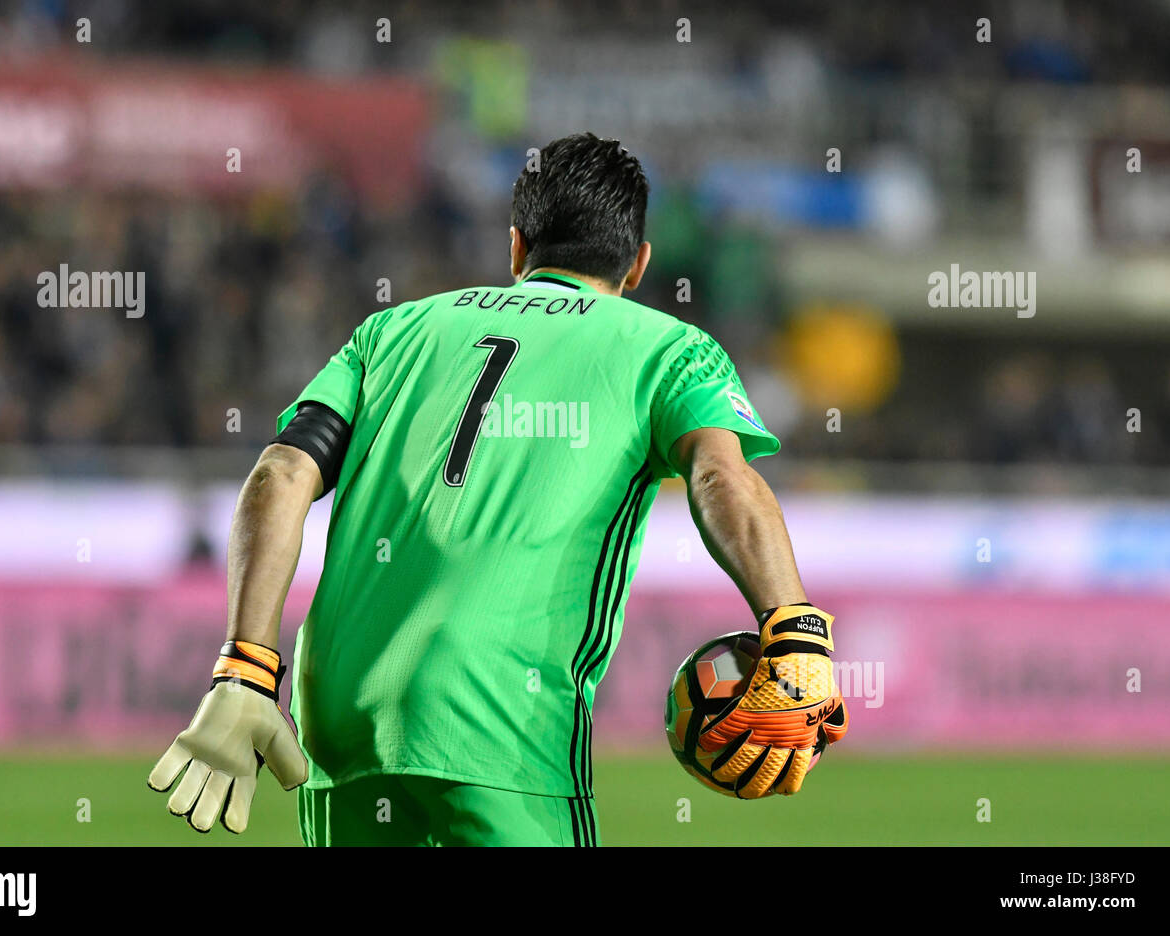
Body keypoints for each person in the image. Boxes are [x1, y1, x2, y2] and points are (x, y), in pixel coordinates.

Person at [149, 132, 846, 846]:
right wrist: (794, 628)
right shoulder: (668, 349)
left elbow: (280, 473)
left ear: (516, 248)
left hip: (341, 727)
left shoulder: (389, 332)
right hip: (502, 723)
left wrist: (245, 666)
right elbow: (720, 474)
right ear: (637, 265)